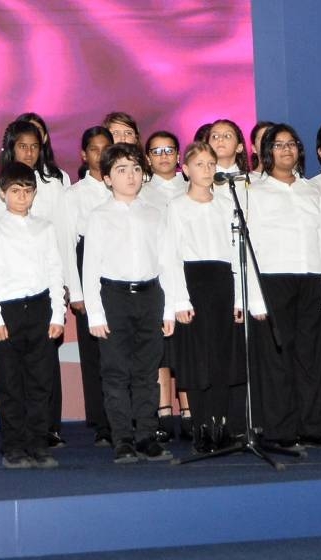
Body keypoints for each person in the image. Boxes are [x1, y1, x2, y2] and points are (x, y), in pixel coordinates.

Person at [82, 142, 175, 464]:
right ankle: (122, 438)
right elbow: (91, 266)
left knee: (147, 373)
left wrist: (170, 306)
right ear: (107, 178)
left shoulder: (155, 213)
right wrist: (95, 312)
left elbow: (168, 261)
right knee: (116, 373)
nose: (131, 176)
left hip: (150, 295)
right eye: (121, 170)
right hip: (114, 297)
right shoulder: (98, 216)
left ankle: (147, 436)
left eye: (136, 168)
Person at [244, 123, 321, 450]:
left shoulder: (311, 189)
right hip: (272, 279)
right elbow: (246, 245)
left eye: (291, 144)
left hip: (311, 277)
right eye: (278, 145)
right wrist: (255, 298)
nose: (286, 150)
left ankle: (313, 428)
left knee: (310, 358)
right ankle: (281, 431)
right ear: (266, 152)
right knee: (276, 359)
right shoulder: (253, 190)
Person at [0, 162, 66, 469]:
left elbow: (56, 271)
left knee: (41, 382)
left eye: (28, 190)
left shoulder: (45, 228)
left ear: (35, 194)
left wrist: (58, 313)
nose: (22, 197)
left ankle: (38, 443)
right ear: (3, 194)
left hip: (40, 308)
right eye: (15, 191)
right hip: (9, 311)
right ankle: (14, 446)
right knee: (10, 383)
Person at [164, 142, 245, 453]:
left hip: (223, 284)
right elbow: (170, 256)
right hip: (193, 283)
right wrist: (180, 301)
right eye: (200, 164)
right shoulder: (177, 206)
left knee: (222, 358)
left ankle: (222, 425)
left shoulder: (227, 205)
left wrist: (238, 299)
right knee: (198, 361)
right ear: (186, 169)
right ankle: (201, 426)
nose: (207, 170)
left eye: (211, 164)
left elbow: (237, 255)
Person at [63, 126, 115, 447]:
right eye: (93, 149)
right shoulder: (75, 195)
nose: (99, 154)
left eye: (105, 148)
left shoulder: (124, 185)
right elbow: (67, 244)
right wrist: (77, 292)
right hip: (87, 269)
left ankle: (128, 418)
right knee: (95, 353)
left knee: (121, 353)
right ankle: (102, 423)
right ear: (84, 155)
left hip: (121, 271)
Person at [137, 130, 188, 442]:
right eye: (156, 151)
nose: (164, 156)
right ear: (147, 158)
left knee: (187, 348)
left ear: (179, 155)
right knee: (161, 349)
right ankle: (164, 411)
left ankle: (190, 412)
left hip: (192, 275)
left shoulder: (192, 185)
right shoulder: (141, 192)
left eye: (169, 150)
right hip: (156, 276)